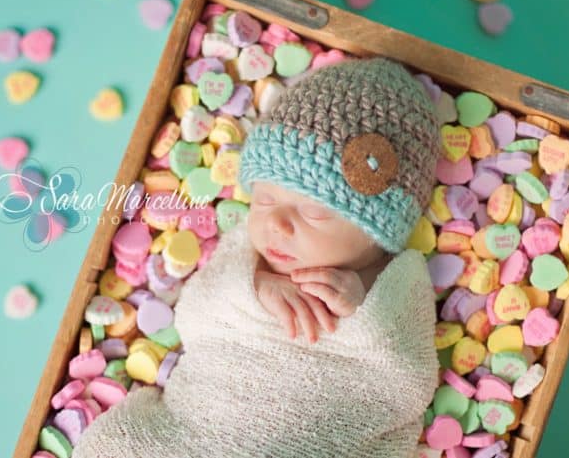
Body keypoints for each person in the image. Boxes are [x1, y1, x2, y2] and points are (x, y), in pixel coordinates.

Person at [72, 56, 442, 458]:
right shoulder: (245, 260)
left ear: (377, 232)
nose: (278, 225)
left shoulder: (396, 290)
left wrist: (365, 312)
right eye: (265, 201)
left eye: (313, 212)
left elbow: (409, 382)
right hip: (196, 432)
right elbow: (194, 317)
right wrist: (252, 290)